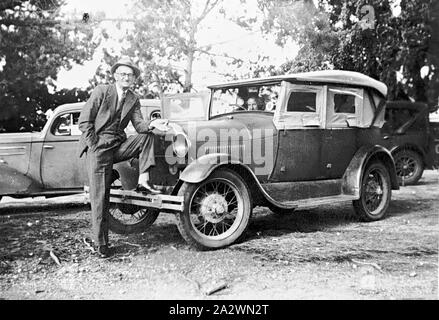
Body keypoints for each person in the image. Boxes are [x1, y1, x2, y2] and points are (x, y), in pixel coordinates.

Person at [78, 57, 169, 258]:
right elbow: (84, 122)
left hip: (118, 145)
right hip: (98, 149)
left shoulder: (133, 98)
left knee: (147, 137)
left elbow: (140, 126)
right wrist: (94, 145)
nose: (127, 77)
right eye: (123, 74)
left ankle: (143, 180)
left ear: (134, 78)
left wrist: (154, 125)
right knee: (100, 197)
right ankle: (101, 245)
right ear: (116, 76)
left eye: (130, 74)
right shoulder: (102, 91)